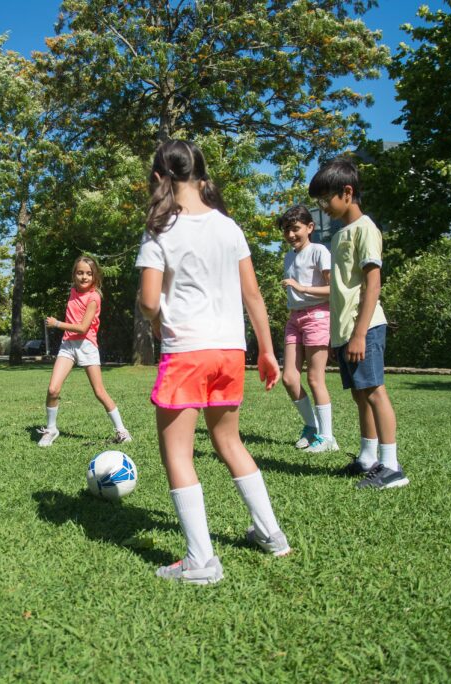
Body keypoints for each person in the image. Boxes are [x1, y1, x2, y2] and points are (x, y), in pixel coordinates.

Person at [136, 140, 288, 585]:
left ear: (161, 178)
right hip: (230, 351)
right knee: (229, 442)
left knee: (178, 454)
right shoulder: (229, 227)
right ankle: (271, 534)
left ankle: (201, 561)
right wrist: (266, 350)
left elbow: (148, 301)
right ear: (200, 176)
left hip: (186, 351)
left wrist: (158, 317)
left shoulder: (159, 229)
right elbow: (253, 295)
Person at [308, 158, 409, 489]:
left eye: (326, 200)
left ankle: (391, 467)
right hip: (345, 331)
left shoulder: (365, 229)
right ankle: (368, 458)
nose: (323, 207)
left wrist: (359, 334)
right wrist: (341, 337)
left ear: (347, 192)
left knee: (375, 391)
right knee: (360, 395)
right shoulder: (339, 235)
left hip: (363, 327)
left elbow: (373, 285)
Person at [37, 255, 132, 448]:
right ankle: (51, 429)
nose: (84, 277)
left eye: (88, 273)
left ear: (95, 276)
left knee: (99, 391)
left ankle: (122, 431)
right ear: (74, 275)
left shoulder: (94, 297)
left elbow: (83, 327)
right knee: (53, 389)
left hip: (86, 345)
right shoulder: (73, 291)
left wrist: (57, 324)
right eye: (80, 273)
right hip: (68, 345)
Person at [278, 205, 338, 453]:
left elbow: (332, 289)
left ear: (310, 227)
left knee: (315, 378)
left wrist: (302, 288)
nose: (291, 235)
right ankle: (312, 428)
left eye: (295, 229)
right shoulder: (289, 256)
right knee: (289, 378)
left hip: (317, 316)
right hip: (296, 318)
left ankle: (328, 438)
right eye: (286, 230)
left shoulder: (319, 251)